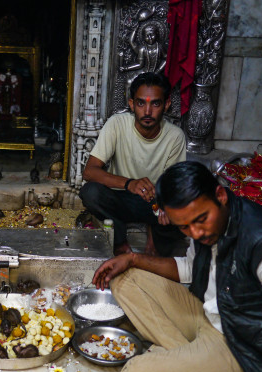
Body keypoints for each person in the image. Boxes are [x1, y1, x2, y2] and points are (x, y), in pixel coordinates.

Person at [93, 161, 262, 372]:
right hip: (209, 315)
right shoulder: (209, 225)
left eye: (201, 219)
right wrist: (132, 258)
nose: (196, 233)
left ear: (220, 195)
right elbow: (190, 267)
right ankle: (193, 362)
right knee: (125, 279)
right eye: (184, 227)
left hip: (243, 350)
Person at [79, 72, 186, 256]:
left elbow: (174, 186)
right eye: (141, 103)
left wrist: (165, 206)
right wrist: (130, 183)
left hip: (153, 204)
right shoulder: (117, 124)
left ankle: (155, 235)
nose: (147, 111)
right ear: (131, 104)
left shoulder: (175, 136)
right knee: (90, 192)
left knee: (182, 212)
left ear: (166, 105)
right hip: (120, 198)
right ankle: (120, 240)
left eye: (156, 103)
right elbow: (90, 171)